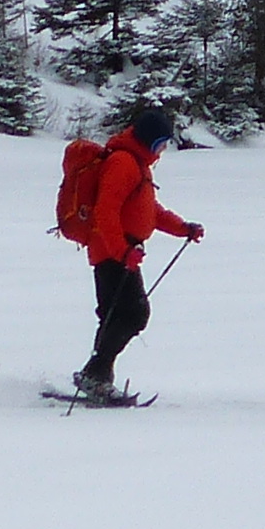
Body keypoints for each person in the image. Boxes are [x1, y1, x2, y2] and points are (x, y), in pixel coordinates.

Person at [70, 103, 203, 397]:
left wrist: (183, 227)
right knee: (132, 314)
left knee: (118, 315)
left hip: (123, 253)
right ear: (149, 140)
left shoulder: (137, 164)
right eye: (161, 143)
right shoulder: (123, 163)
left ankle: (98, 376)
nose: (163, 150)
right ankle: (95, 375)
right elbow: (106, 211)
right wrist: (121, 251)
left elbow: (148, 211)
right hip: (111, 252)